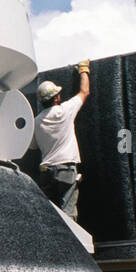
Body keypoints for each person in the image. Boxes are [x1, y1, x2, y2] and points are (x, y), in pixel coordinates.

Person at [35, 59, 90, 218]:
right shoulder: (65, 111)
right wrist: (84, 69)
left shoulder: (36, 121)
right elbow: (84, 92)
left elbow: (33, 147)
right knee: (68, 213)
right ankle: (70, 242)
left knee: (49, 214)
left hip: (45, 172)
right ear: (56, 98)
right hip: (65, 169)